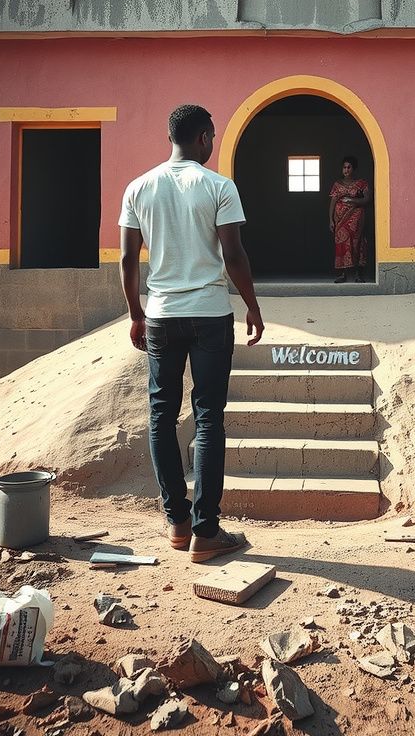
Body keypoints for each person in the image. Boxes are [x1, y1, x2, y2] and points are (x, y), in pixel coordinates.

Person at [119, 104, 264, 563]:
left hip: (161, 314)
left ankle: (177, 524)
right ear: (203, 137)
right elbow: (234, 255)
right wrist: (253, 305)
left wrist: (135, 313)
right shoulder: (219, 186)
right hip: (208, 315)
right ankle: (206, 530)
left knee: (161, 414)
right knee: (208, 416)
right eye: (213, 137)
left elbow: (126, 260)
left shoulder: (138, 187)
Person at [328, 155, 371, 282]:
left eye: (349, 167)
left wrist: (352, 200)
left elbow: (367, 199)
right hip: (339, 219)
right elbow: (333, 202)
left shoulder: (361, 183)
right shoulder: (337, 184)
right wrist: (330, 220)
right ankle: (342, 274)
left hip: (356, 218)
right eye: (344, 167)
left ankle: (358, 274)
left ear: (354, 169)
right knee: (341, 243)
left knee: (356, 243)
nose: (346, 170)